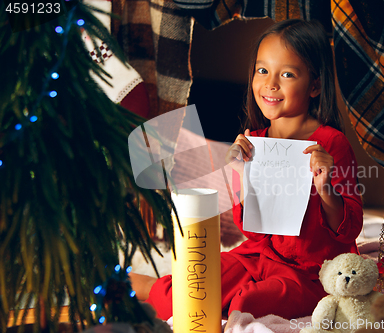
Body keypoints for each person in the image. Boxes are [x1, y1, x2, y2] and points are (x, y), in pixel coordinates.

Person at [130, 19, 363, 321]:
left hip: (311, 273)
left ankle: (199, 296)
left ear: (315, 85)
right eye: (262, 70)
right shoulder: (255, 141)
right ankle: (154, 286)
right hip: (257, 256)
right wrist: (238, 174)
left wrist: (325, 188)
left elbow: (349, 229)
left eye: (287, 74)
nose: (271, 84)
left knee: (247, 305)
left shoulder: (332, 143)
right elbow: (250, 230)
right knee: (192, 290)